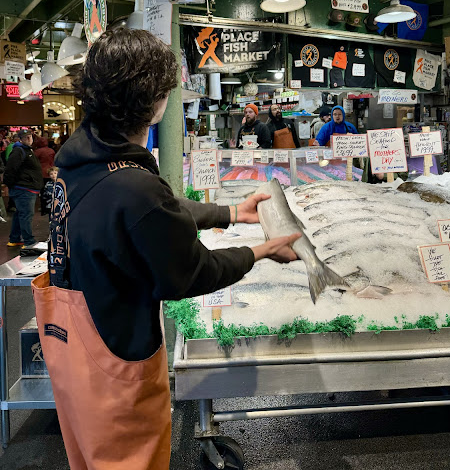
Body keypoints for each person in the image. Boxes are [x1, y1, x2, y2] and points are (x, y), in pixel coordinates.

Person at [31, 29, 300, 470]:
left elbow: (157, 211)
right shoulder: (133, 186)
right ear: (155, 101)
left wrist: (231, 213)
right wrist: (261, 251)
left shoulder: (79, 160)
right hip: (116, 362)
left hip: (71, 350)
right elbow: (192, 271)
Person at [4, 129, 43, 247]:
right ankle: (28, 241)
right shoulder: (19, 151)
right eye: (26, 137)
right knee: (26, 214)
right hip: (24, 188)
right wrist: (11, 185)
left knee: (20, 214)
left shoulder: (26, 150)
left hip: (25, 187)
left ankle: (15, 239)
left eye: (30, 137)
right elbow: (10, 169)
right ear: (20, 139)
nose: (29, 139)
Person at [34, 136, 56, 214]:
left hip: (41, 173)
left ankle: (44, 208)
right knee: (52, 190)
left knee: (43, 192)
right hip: (51, 171)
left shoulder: (37, 151)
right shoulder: (51, 151)